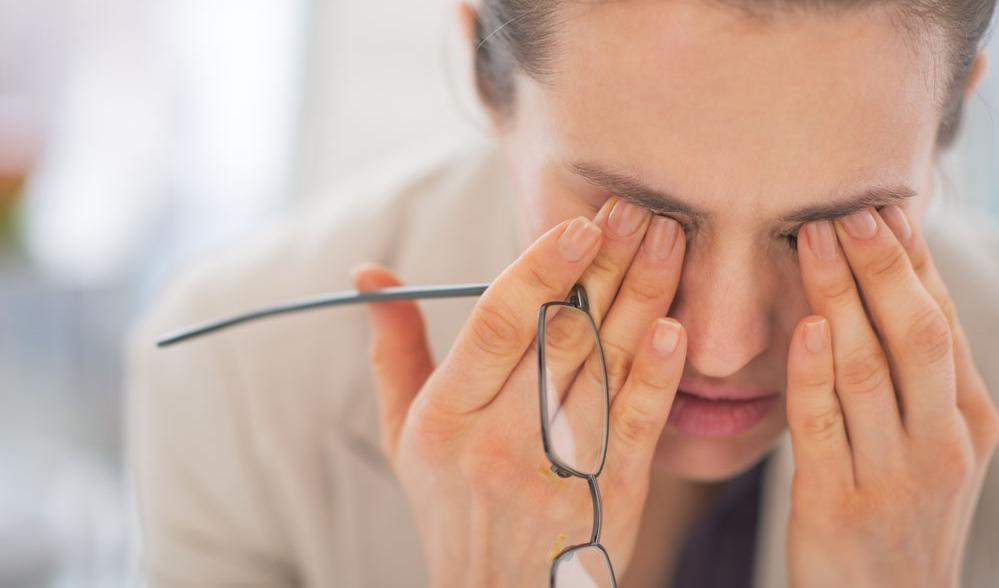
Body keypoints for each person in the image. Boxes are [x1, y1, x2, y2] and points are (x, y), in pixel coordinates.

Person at [126, 1, 999, 586]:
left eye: (835, 226)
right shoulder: (233, 384)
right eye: (636, 216)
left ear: (952, 112)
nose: (721, 345)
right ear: (486, 72)